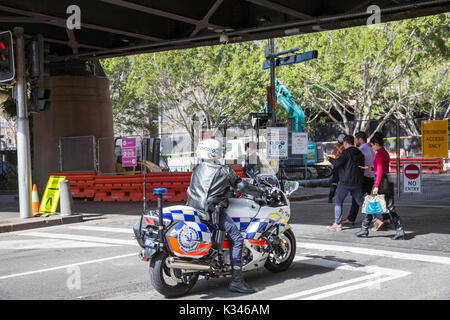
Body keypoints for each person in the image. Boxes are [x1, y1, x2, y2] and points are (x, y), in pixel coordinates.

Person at [187, 139, 265, 293]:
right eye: (220, 150)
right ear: (213, 152)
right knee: (237, 238)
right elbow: (242, 186)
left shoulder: (198, 168)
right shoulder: (223, 170)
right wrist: (261, 192)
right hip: (211, 213)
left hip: (194, 209)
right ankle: (237, 280)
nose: (222, 152)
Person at [356, 132, 406, 240]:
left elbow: (379, 172)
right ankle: (399, 229)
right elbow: (382, 169)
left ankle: (364, 229)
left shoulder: (379, 154)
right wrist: (370, 169)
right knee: (389, 206)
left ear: (375, 144)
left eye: (372, 145)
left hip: (381, 182)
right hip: (387, 180)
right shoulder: (385, 152)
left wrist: (376, 186)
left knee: (371, 204)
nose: (372, 147)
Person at [325, 135, 365, 231]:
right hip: (357, 182)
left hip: (346, 182)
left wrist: (329, 158)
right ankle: (375, 220)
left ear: (346, 143)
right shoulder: (359, 152)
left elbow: (338, 163)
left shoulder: (346, 153)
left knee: (338, 201)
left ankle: (337, 223)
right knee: (361, 202)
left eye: (343, 143)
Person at [342, 131, 376, 226]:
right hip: (370, 177)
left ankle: (374, 219)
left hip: (363, 177)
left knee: (361, 199)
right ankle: (351, 218)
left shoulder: (360, 149)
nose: (355, 141)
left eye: (356, 139)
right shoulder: (370, 148)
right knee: (358, 199)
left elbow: (357, 163)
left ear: (360, 139)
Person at [328, 134, 346, 203]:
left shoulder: (335, 147)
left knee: (334, 182)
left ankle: (330, 196)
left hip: (336, 165)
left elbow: (334, 156)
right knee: (344, 182)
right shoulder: (346, 147)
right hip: (343, 166)